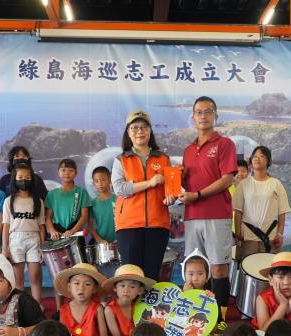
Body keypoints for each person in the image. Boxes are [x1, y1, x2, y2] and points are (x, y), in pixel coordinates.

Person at [177, 96, 237, 319]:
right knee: (194, 272)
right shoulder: (188, 150)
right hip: (192, 216)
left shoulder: (224, 144)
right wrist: (179, 179)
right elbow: (186, 185)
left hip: (217, 215)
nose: (203, 116)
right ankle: (197, 319)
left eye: (208, 111)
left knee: (218, 269)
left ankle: (219, 322)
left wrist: (198, 195)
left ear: (215, 116)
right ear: (192, 117)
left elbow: (227, 180)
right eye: (199, 112)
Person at [110, 110, 172, 282]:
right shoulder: (120, 159)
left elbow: (170, 190)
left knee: (151, 278)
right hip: (128, 225)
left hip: (158, 224)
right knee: (130, 279)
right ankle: (129, 310)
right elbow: (119, 189)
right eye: (135, 127)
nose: (139, 131)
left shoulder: (164, 159)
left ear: (150, 131)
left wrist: (171, 197)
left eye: (144, 127)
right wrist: (150, 183)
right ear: (128, 132)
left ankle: (149, 310)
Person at [233, 146, 290, 259]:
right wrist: (238, 233)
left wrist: (280, 234)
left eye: (262, 156)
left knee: (271, 273)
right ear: (251, 161)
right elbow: (238, 211)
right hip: (248, 238)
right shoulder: (243, 184)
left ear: (268, 161)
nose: (257, 159)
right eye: (255, 157)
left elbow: (282, 212)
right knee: (248, 271)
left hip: (271, 238)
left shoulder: (276, 184)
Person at [1, 162, 46, 304]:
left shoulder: (38, 201)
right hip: (15, 239)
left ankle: (37, 307)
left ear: (32, 179)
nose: (24, 180)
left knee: (35, 278)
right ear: (14, 179)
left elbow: (42, 225)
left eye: (27, 177)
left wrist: (43, 247)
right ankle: (20, 309)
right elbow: (6, 226)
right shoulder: (9, 201)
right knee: (18, 280)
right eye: (20, 177)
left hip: (34, 239)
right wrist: (4, 249)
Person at [54, 263, 109, 336]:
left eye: (87, 284)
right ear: (69, 287)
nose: (81, 288)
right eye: (76, 283)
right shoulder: (63, 310)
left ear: (94, 289)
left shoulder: (97, 308)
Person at [102, 264, 156, 336]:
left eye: (132, 287)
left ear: (140, 290)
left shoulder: (140, 307)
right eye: (122, 286)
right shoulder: (110, 309)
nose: (126, 290)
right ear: (115, 288)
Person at [253, 252, 291, 335]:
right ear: (271, 280)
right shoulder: (262, 299)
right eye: (281, 277)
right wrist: (283, 305)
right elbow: (264, 332)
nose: (286, 283)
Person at [45, 158, 91, 240]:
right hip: (57, 235)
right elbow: (48, 217)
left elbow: (84, 216)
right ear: (58, 173)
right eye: (63, 170)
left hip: (76, 233)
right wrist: (52, 231)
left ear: (76, 173)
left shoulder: (82, 192)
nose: (67, 173)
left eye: (71, 170)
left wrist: (73, 230)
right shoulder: (52, 194)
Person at [88, 166, 117, 245]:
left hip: (120, 241)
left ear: (110, 180)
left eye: (103, 180)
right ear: (93, 183)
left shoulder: (118, 199)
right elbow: (90, 227)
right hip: (102, 244)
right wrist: (99, 240)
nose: (100, 184)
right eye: (97, 181)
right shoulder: (92, 204)